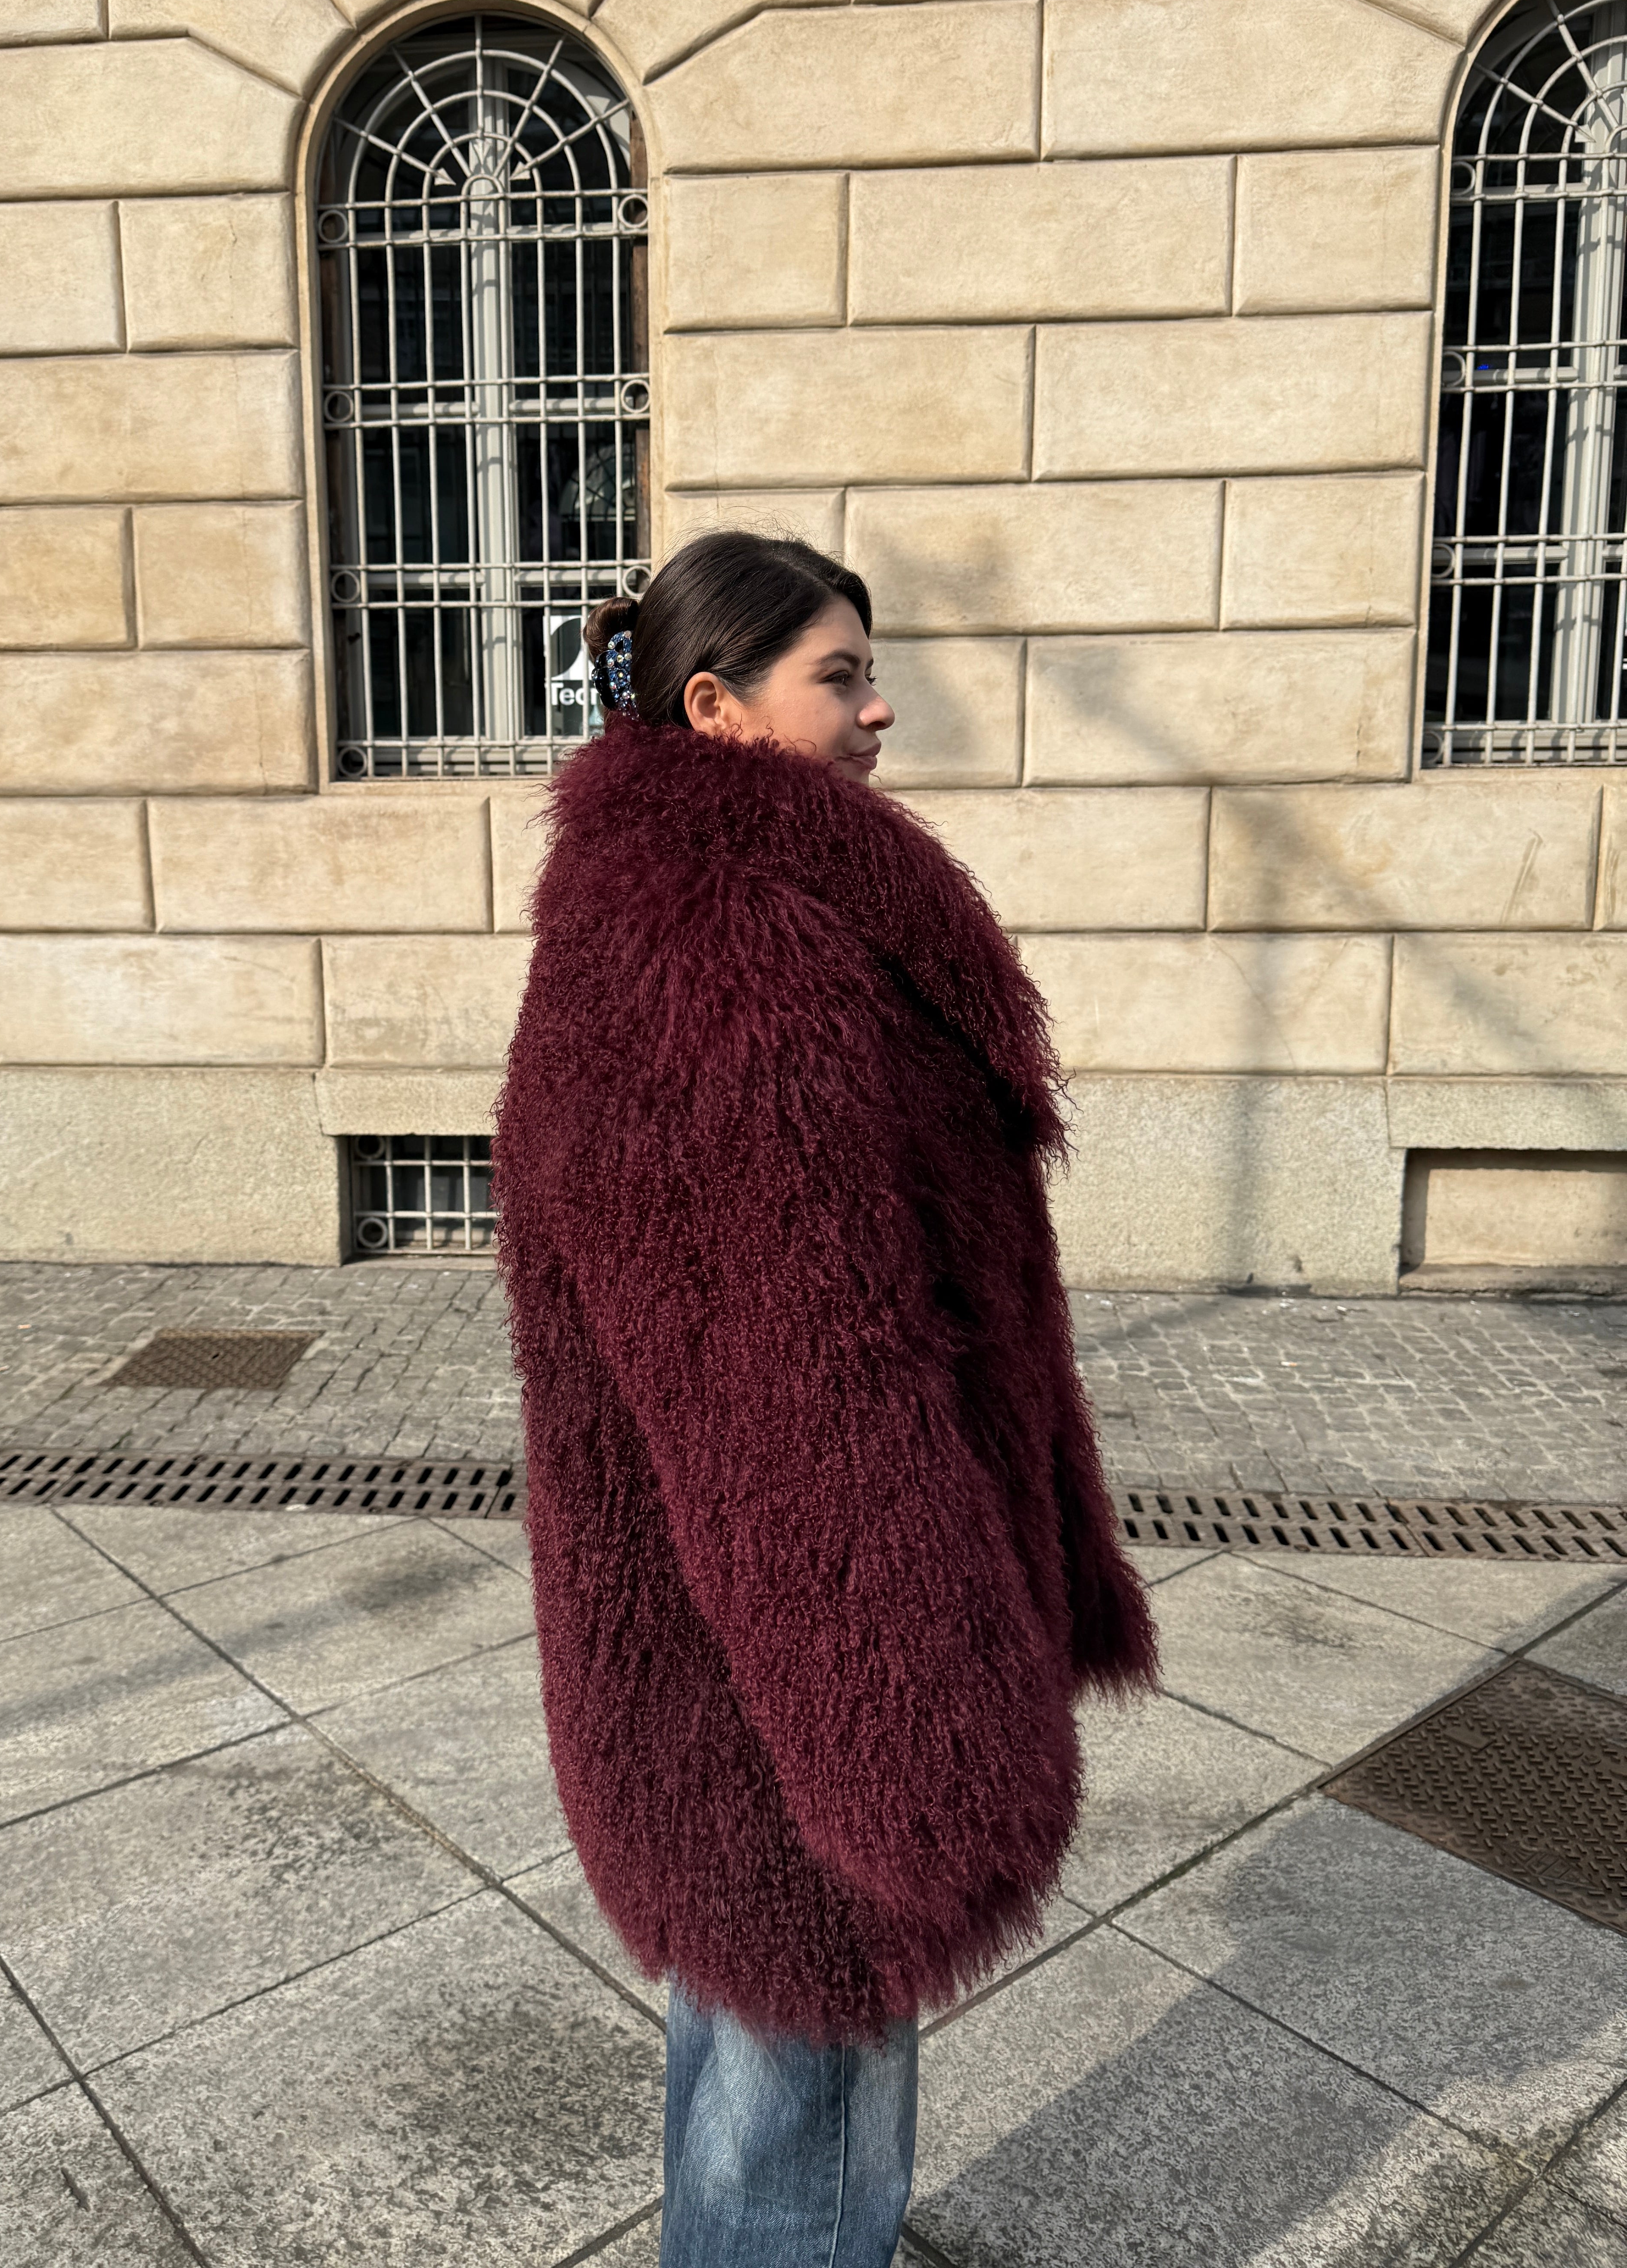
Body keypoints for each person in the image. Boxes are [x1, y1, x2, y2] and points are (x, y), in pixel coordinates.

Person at [492, 531, 1157, 2268]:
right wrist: (906, 1730)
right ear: (716, 705)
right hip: (797, 1661)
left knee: (749, 2045)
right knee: (806, 2074)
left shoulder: (702, 906)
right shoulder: (729, 947)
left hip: (727, 1635)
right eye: (839, 677)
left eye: (873, 673)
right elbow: (794, 1400)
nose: (879, 711)